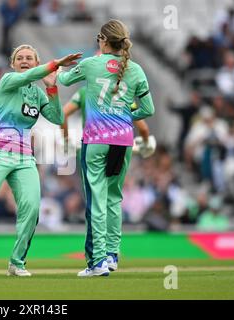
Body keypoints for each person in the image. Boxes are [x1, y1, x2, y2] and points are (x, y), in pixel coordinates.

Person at [0, 43, 82, 277]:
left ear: (35, 62)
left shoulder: (37, 92)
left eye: (29, 58)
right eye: (20, 57)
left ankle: (17, 262)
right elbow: (33, 75)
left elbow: (57, 117)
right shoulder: (8, 80)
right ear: (13, 64)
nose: (24, 61)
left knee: (31, 208)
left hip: (23, 157)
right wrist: (54, 64)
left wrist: (52, 89)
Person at [58, 19, 155, 277]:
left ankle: (98, 261)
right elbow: (148, 110)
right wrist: (123, 115)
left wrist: (59, 67)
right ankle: (112, 255)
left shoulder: (91, 64)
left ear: (102, 40)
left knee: (97, 200)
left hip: (96, 141)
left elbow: (65, 80)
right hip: (123, 141)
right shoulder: (136, 69)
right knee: (114, 198)